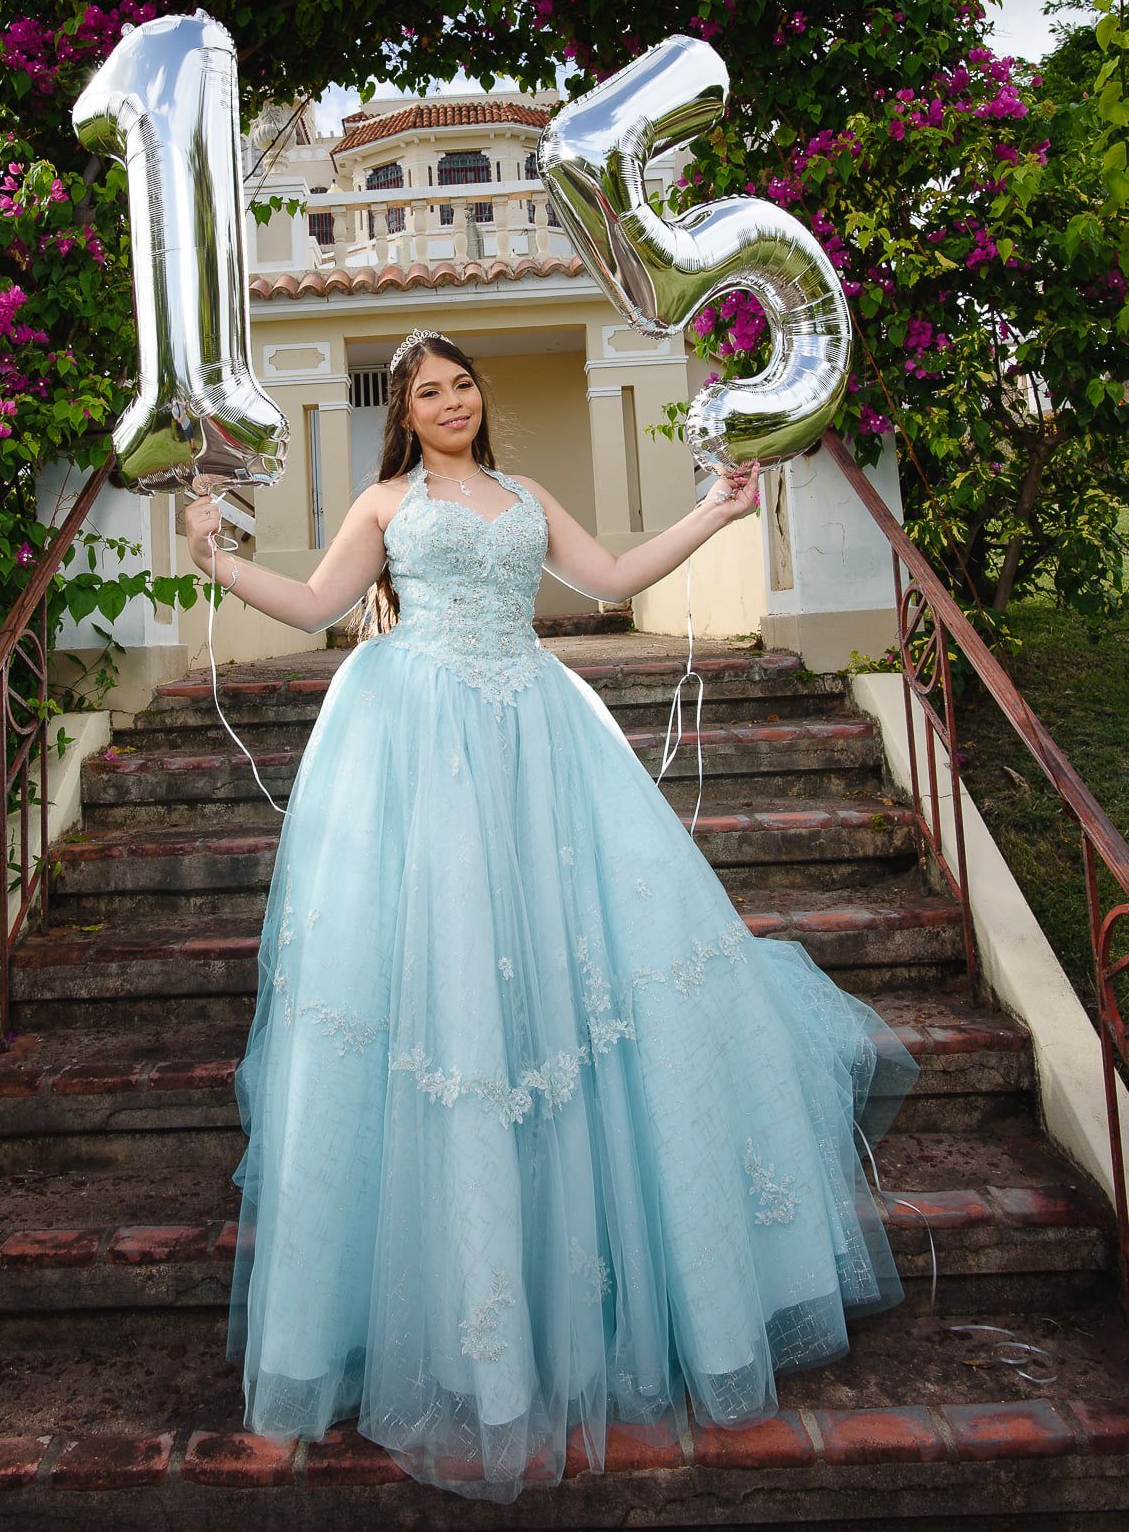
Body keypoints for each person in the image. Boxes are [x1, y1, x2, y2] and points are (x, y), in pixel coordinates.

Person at [182, 328, 919, 1503]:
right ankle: (468, 1314)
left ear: (479, 395)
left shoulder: (527, 492)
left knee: (605, 972)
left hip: (540, 736)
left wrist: (719, 514)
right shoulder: (380, 502)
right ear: (404, 411)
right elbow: (316, 600)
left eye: (461, 382)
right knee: (453, 986)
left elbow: (613, 577)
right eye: (426, 390)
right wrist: (216, 561)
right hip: (427, 750)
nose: (449, 401)